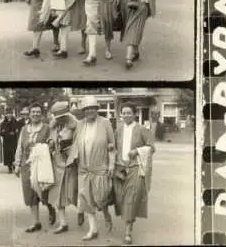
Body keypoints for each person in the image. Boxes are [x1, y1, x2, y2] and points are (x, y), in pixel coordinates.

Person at [69, 96, 115, 241]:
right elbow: (72, 137)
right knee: (86, 199)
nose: (90, 111)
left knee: (101, 196)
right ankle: (92, 229)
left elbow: (112, 146)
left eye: (92, 108)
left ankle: (106, 213)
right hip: (83, 167)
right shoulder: (80, 124)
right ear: (83, 111)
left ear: (97, 109)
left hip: (100, 165)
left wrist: (112, 164)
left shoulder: (105, 123)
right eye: (87, 108)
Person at [113, 102, 155, 245]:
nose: (125, 115)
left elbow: (151, 147)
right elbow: (114, 147)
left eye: (128, 113)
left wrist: (137, 151)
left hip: (136, 167)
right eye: (123, 113)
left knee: (131, 198)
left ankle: (128, 231)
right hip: (120, 168)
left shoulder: (142, 129)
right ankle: (127, 220)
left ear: (135, 114)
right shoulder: (118, 130)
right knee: (121, 198)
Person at [15, 104, 56, 232]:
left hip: (43, 165)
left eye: (38, 112)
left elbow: (52, 142)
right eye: (33, 112)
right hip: (27, 165)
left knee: (44, 191)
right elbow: (19, 148)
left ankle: (50, 207)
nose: (35, 114)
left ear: (42, 114)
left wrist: (50, 144)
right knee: (30, 193)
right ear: (29, 114)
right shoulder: (24, 129)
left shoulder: (47, 128)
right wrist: (17, 165)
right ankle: (36, 222)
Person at [48, 101, 81, 233]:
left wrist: (72, 150)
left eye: (62, 116)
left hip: (72, 163)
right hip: (58, 163)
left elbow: (81, 143)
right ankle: (63, 223)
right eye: (57, 117)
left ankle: (81, 211)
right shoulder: (55, 125)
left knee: (75, 191)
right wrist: (51, 143)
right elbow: (51, 139)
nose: (60, 119)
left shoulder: (76, 125)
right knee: (57, 193)